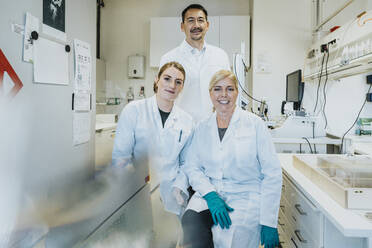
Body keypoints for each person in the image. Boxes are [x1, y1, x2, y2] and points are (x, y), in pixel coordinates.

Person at [182, 70, 282, 248]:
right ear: (210, 93)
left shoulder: (254, 124)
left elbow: (272, 173)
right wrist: (210, 195)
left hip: (246, 196)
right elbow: (192, 167)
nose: (223, 95)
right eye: (218, 89)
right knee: (190, 222)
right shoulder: (202, 127)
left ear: (237, 93)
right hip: (209, 193)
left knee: (231, 234)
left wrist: (269, 221)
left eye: (230, 89)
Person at [112, 61, 193, 216]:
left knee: (170, 237)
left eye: (178, 82)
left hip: (172, 195)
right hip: (138, 192)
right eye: (167, 79)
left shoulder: (187, 121)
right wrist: (136, 187)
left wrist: (179, 187)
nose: (172, 85)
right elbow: (121, 157)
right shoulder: (133, 111)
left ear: (182, 87)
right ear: (157, 79)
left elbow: (187, 163)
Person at [160, 4, 230, 122]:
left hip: (213, 124)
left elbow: (228, 92)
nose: (196, 25)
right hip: (179, 125)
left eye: (200, 20)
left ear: (207, 25)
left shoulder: (221, 56)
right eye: (191, 20)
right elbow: (162, 98)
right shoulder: (169, 58)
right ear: (182, 26)